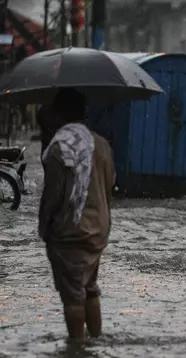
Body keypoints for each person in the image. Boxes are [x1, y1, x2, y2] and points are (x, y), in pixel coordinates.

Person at [39, 88, 116, 342]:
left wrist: (44, 226)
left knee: (73, 294)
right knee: (90, 288)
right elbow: (109, 185)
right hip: (98, 229)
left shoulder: (59, 147)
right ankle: (95, 341)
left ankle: (76, 351)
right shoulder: (101, 144)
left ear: (58, 114)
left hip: (70, 230)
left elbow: (53, 195)